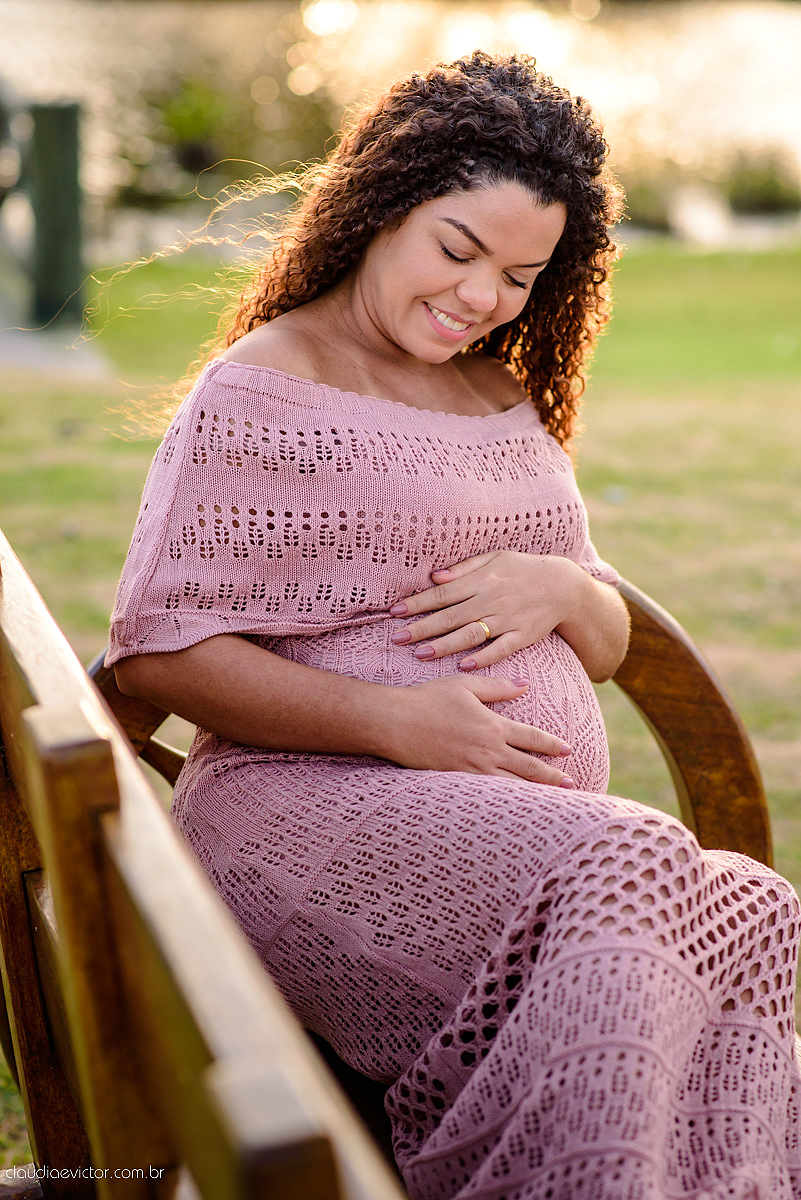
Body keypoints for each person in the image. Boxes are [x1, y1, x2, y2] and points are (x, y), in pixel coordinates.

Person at [106, 50, 801, 1200]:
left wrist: (575, 595)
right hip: (301, 813)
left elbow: (610, 638)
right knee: (634, 856)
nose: (482, 298)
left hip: (507, 836)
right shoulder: (268, 387)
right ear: (381, 207)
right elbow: (160, 647)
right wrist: (394, 723)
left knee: (757, 910)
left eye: (522, 276)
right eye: (458, 250)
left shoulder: (497, 392)